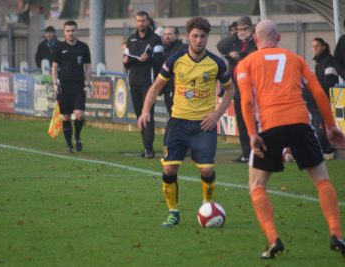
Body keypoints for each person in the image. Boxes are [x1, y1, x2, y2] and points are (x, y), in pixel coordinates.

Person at [236, 19, 345, 259]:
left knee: (257, 185)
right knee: (322, 180)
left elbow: (246, 101)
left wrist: (252, 133)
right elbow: (318, 92)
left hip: (269, 125)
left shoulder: (246, 63)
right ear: (278, 38)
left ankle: (273, 240)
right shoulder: (295, 59)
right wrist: (330, 127)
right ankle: (337, 233)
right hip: (299, 122)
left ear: (255, 39)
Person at [137, 17, 235, 228]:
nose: (199, 40)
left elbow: (230, 90)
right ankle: (173, 212)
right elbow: (155, 87)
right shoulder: (175, 59)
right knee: (169, 169)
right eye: (195, 36)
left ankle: (207, 206)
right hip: (178, 123)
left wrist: (216, 115)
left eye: (203, 36)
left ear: (207, 37)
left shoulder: (216, 63)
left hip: (203, 125)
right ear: (188, 37)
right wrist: (145, 110)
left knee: (206, 171)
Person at [123, 11, 164, 158]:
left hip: (149, 84)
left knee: (148, 115)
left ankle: (149, 148)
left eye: (143, 21)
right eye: (138, 21)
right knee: (140, 115)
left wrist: (149, 57)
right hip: (133, 82)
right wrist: (126, 61)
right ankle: (146, 146)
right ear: (136, 22)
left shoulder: (155, 39)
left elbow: (160, 61)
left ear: (148, 21)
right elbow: (126, 63)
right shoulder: (131, 39)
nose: (141, 23)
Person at [217, 16, 257, 163]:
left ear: (251, 29)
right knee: (241, 121)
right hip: (238, 87)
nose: (242, 32)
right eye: (239, 29)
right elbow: (220, 47)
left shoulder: (257, 41)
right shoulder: (235, 41)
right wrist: (235, 35)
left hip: (253, 87)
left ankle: (257, 151)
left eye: (245, 29)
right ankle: (246, 153)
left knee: (254, 120)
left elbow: (255, 57)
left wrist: (240, 56)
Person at [51, 20, 91, 153]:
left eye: (73, 30)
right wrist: (55, 84)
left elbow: (88, 67)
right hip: (64, 87)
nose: (70, 33)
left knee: (79, 115)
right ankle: (69, 146)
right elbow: (54, 67)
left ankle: (77, 136)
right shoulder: (59, 47)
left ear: (77, 31)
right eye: (68, 31)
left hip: (79, 86)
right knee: (66, 117)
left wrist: (87, 84)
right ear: (64, 32)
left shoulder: (83, 47)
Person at [308, 37, 338, 159]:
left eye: (317, 46)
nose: (314, 48)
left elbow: (330, 81)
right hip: (320, 98)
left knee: (321, 125)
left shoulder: (329, 61)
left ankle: (327, 150)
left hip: (325, 99)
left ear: (324, 46)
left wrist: (315, 91)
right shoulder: (319, 63)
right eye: (313, 46)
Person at [161, 26, 188, 116]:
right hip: (167, 89)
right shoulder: (162, 50)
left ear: (177, 36)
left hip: (181, 88)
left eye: (170, 34)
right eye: (165, 34)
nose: (167, 36)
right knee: (171, 115)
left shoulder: (184, 48)